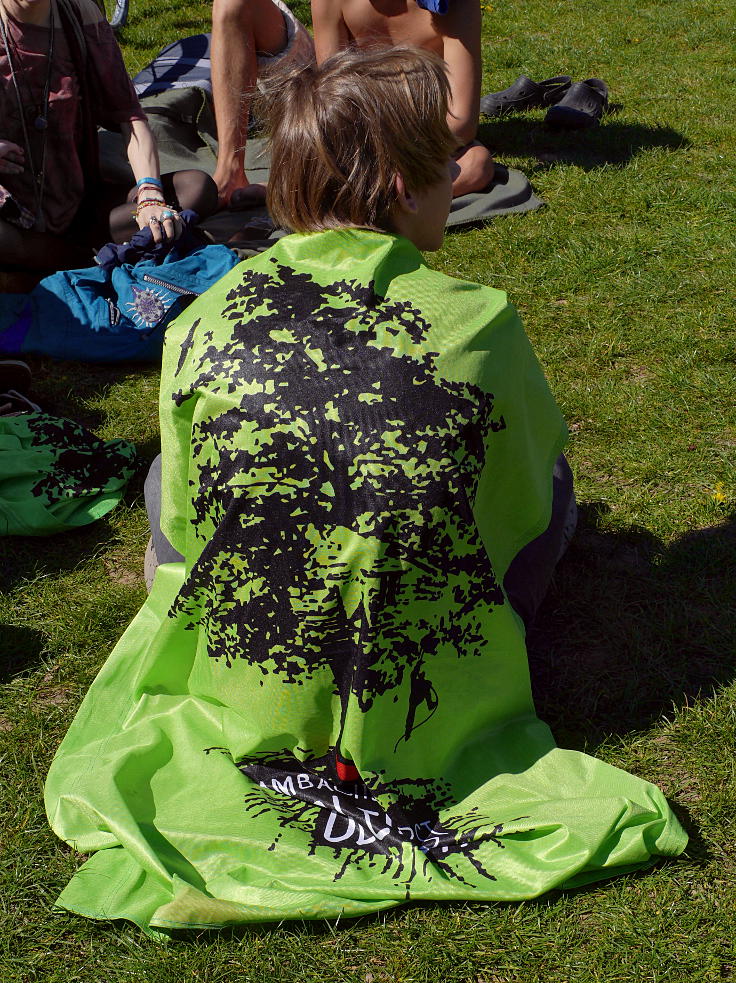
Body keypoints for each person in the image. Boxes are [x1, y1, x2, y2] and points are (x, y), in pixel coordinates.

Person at [45, 46, 685, 934]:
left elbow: (189, 524)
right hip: (420, 646)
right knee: (556, 478)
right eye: (442, 159)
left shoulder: (202, 321)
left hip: (258, 639)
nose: (458, 175)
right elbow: (525, 503)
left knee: (165, 472)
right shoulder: (482, 322)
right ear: (395, 181)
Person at [0, 0, 217, 273]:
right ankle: (89, 261)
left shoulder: (78, 15)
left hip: (79, 204)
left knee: (196, 188)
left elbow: (130, 117)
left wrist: (150, 195)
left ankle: (78, 260)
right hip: (11, 216)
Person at [310, 0, 495, 197]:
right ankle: (400, 198)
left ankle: (375, 199)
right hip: (361, 137)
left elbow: (462, 122)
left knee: (476, 164)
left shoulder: (454, 5)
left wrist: (401, 156)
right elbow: (331, 98)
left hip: (430, 135)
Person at [210, 0, 313, 207]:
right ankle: (230, 172)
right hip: (335, 89)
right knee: (233, 3)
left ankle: (312, 183)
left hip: (388, 113)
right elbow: (333, 73)